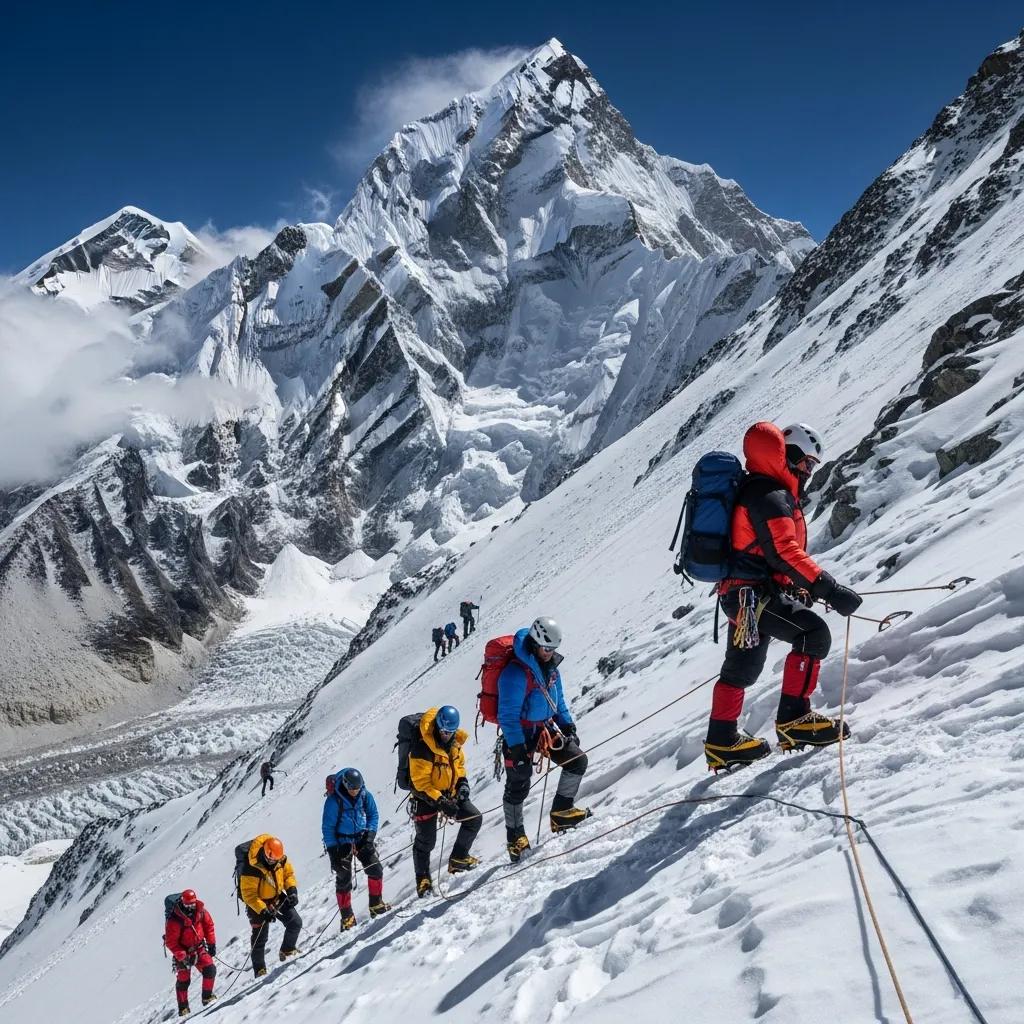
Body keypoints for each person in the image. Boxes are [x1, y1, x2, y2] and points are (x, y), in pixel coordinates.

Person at [704, 422, 864, 772]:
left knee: (741, 667)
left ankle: (722, 741)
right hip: (753, 597)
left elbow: (763, 553)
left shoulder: (757, 488)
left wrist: (793, 585)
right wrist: (829, 589)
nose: (808, 471)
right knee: (813, 634)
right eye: (806, 463)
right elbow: (784, 552)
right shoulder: (770, 494)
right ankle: (795, 719)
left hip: (742, 595)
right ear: (787, 454)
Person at [498, 617, 590, 861]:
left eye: (553, 649)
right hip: (520, 733)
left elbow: (558, 701)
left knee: (577, 761)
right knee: (518, 785)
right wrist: (517, 747)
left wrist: (567, 725)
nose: (550, 653)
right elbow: (507, 716)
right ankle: (515, 838)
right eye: (546, 648)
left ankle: (562, 812)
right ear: (534, 643)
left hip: (545, 729)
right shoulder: (515, 673)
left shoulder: (551, 669)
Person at [408, 705, 482, 895]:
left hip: (448, 794)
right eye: (442, 730)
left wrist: (462, 784)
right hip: (425, 797)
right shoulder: (422, 747)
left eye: (449, 731)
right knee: (426, 841)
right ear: (437, 727)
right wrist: (440, 801)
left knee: (473, 818)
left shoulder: (455, 745)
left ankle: (459, 858)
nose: (446, 734)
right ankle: (423, 879)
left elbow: (458, 768)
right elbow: (421, 782)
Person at [322, 767, 390, 930]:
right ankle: (347, 918)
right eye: (352, 788)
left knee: (376, 869)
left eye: (357, 788)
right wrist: (333, 853)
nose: (355, 791)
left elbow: (373, 814)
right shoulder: (333, 801)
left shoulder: (365, 794)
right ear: (345, 784)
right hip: (341, 842)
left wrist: (370, 836)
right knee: (344, 879)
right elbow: (328, 828)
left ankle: (376, 904)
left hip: (361, 837)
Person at [238, 835, 302, 976]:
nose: (274, 862)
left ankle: (287, 950)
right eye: (271, 859)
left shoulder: (281, 859)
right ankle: (260, 970)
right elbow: (249, 895)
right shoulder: (251, 867)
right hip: (257, 904)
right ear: (266, 854)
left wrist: (292, 890)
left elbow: (288, 874)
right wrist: (263, 910)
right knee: (260, 938)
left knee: (295, 923)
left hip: (275, 897)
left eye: (276, 860)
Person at [163, 889, 216, 1016]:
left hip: (198, 947)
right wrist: (183, 956)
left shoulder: (201, 911)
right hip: (183, 952)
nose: (190, 907)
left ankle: (207, 997)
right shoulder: (174, 920)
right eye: (188, 905)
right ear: (182, 902)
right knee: (183, 981)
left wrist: (211, 943)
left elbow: (209, 926)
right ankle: (183, 1008)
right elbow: (171, 942)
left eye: (192, 904)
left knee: (210, 969)